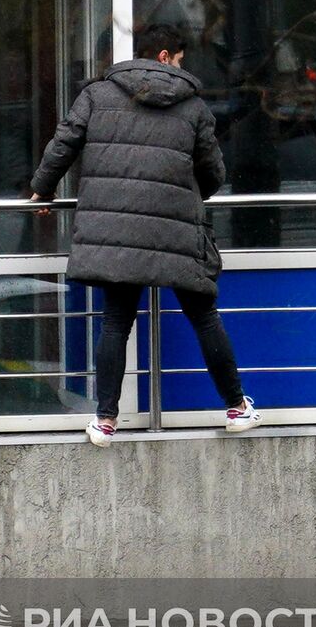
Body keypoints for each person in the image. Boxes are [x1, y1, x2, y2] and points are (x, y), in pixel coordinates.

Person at [29, 23, 261, 446]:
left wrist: (44, 188)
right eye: (178, 59)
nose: (179, 68)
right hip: (176, 230)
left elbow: (64, 142)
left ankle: (105, 420)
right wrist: (184, 195)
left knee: (116, 323)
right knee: (204, 317)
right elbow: (214, 174)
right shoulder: (193, 108)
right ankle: (235, 407)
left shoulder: (97, 95)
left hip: (116, 232)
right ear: (163, 56)